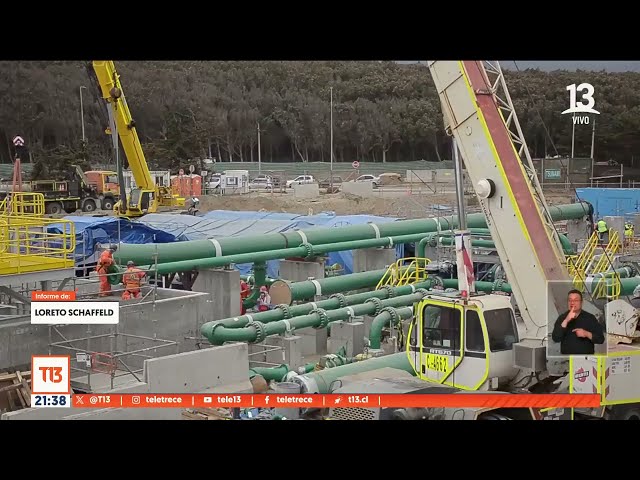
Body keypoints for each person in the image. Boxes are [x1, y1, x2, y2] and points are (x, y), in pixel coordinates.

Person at [552, 289, 605, 355]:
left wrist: (586, 334)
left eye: (576, 300)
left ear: (581, 303)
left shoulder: (590, 318)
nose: (572, 303)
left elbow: (601, 339)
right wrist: (566, 320)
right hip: (567, 360)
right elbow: (555, 338)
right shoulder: (562, 318)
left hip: (586, 359)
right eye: (570, 300)